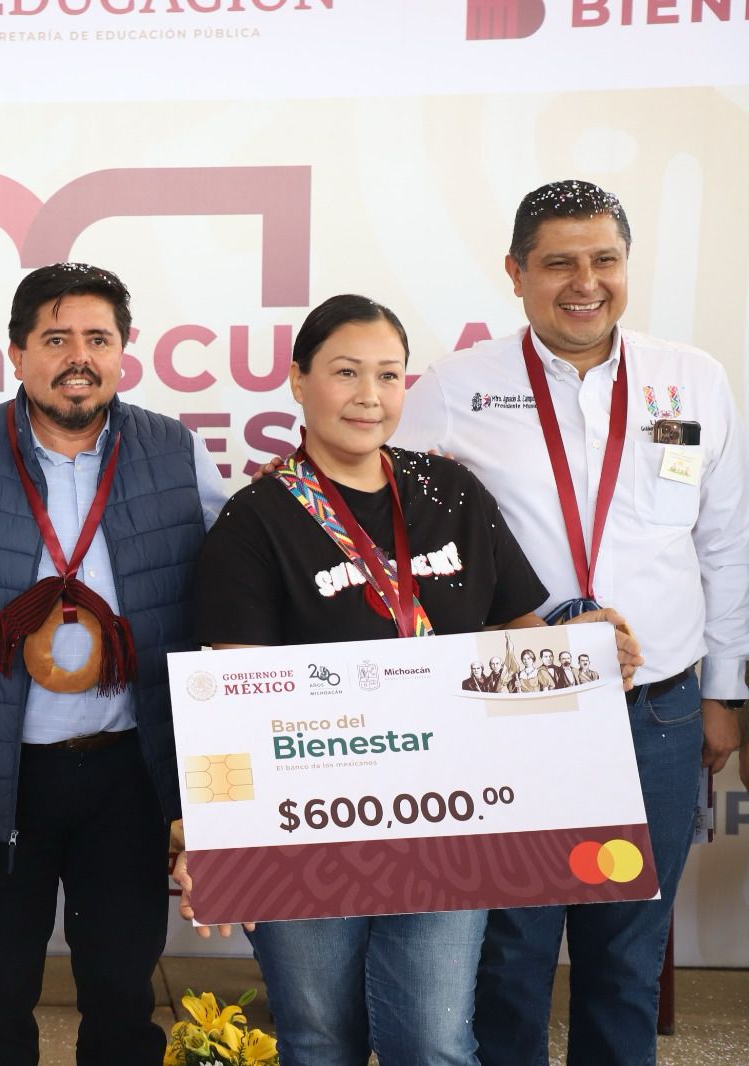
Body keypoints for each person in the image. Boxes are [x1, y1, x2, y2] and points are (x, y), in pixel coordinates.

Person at [174, 294, 638, 1066]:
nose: (369, 395)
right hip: (308, 827)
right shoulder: (255, 521)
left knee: (433, 1041)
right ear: (298, 380)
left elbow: (519, 635)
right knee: (321, 1041)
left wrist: (585, 653)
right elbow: (236, 697)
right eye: (345, 372)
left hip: (446, 818)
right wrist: (221, 840)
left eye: (389, 375)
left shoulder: (453, 495)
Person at [393, 179, 749, 1065]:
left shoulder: (693, 379)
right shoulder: (453, 389)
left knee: (627, 949)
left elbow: (726, 544)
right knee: (511, 953)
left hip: (659, 707)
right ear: (515, 274)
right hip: (516, 709)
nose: (585, 283)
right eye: (558, 263)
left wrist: (724, 694)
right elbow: (407, 549)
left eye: (605, 260)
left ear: (627, 266)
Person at [0, 262, 227, 1066]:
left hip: (127, 770)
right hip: (4, 773)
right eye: (56, 339)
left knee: (123, 993)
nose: (78, 357)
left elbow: (234, 581)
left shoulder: (176, 452)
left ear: (125, 350)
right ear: (16, 353)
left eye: (98, 338)